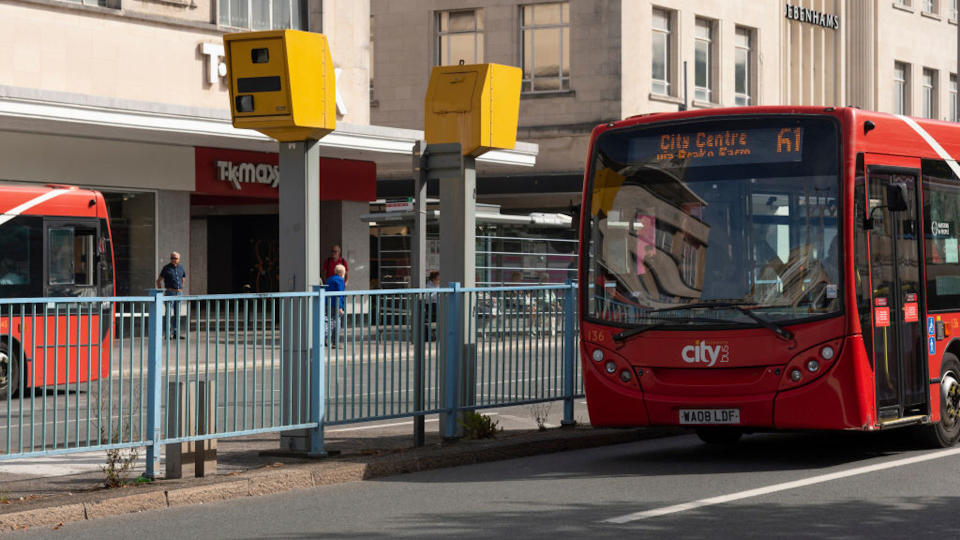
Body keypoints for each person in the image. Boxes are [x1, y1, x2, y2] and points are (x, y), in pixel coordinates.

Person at [156, 251, 187, 339]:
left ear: (179, 259)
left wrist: (181, 287)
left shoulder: (181, 267)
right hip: (170, 292)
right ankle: (167, 334)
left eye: (175, 258)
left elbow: (183, 277)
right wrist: (161, 291)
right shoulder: (166, 268)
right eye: (172, 258)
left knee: (178, 313)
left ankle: (176, 333)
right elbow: (158, 280)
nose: (173, 260)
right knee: (168, 313)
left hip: (179, 293)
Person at [326, 264, 346, 347]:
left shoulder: (329, 279)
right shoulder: (340, 280)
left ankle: (326, 339)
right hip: (336, 303)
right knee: (337, 321)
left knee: (328, 321)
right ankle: (335, 342)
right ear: (342, 273)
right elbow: (340, 294)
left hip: (328, 302)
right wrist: (340, 307)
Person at [424, 271, 440, 341]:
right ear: (433, 278)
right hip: (431, 305)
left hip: (438, 304)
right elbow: (428, 297)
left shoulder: (438, 285)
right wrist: (436, 290)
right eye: (437, 279)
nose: (439, 281)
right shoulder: (428, 285)